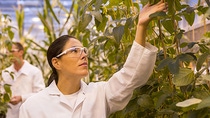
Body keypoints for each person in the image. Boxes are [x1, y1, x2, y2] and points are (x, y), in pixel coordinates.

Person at [19, 0, 167, 118]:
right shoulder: (33, 106)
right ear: (56, 62)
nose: (83, 54)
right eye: (74, 50)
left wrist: (141, 26)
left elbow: (131, 76)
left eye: (84, 50)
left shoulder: (98, 93)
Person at [1, 42, 45, 118]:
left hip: (29, 114)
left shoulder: (34, 72)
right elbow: (1, 91)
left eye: (12, 51)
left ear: (21, 52)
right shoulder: (5, 73)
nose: (9, 55)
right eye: (7, 52)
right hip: (9, 115)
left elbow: (40, 94)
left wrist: (22, 97)